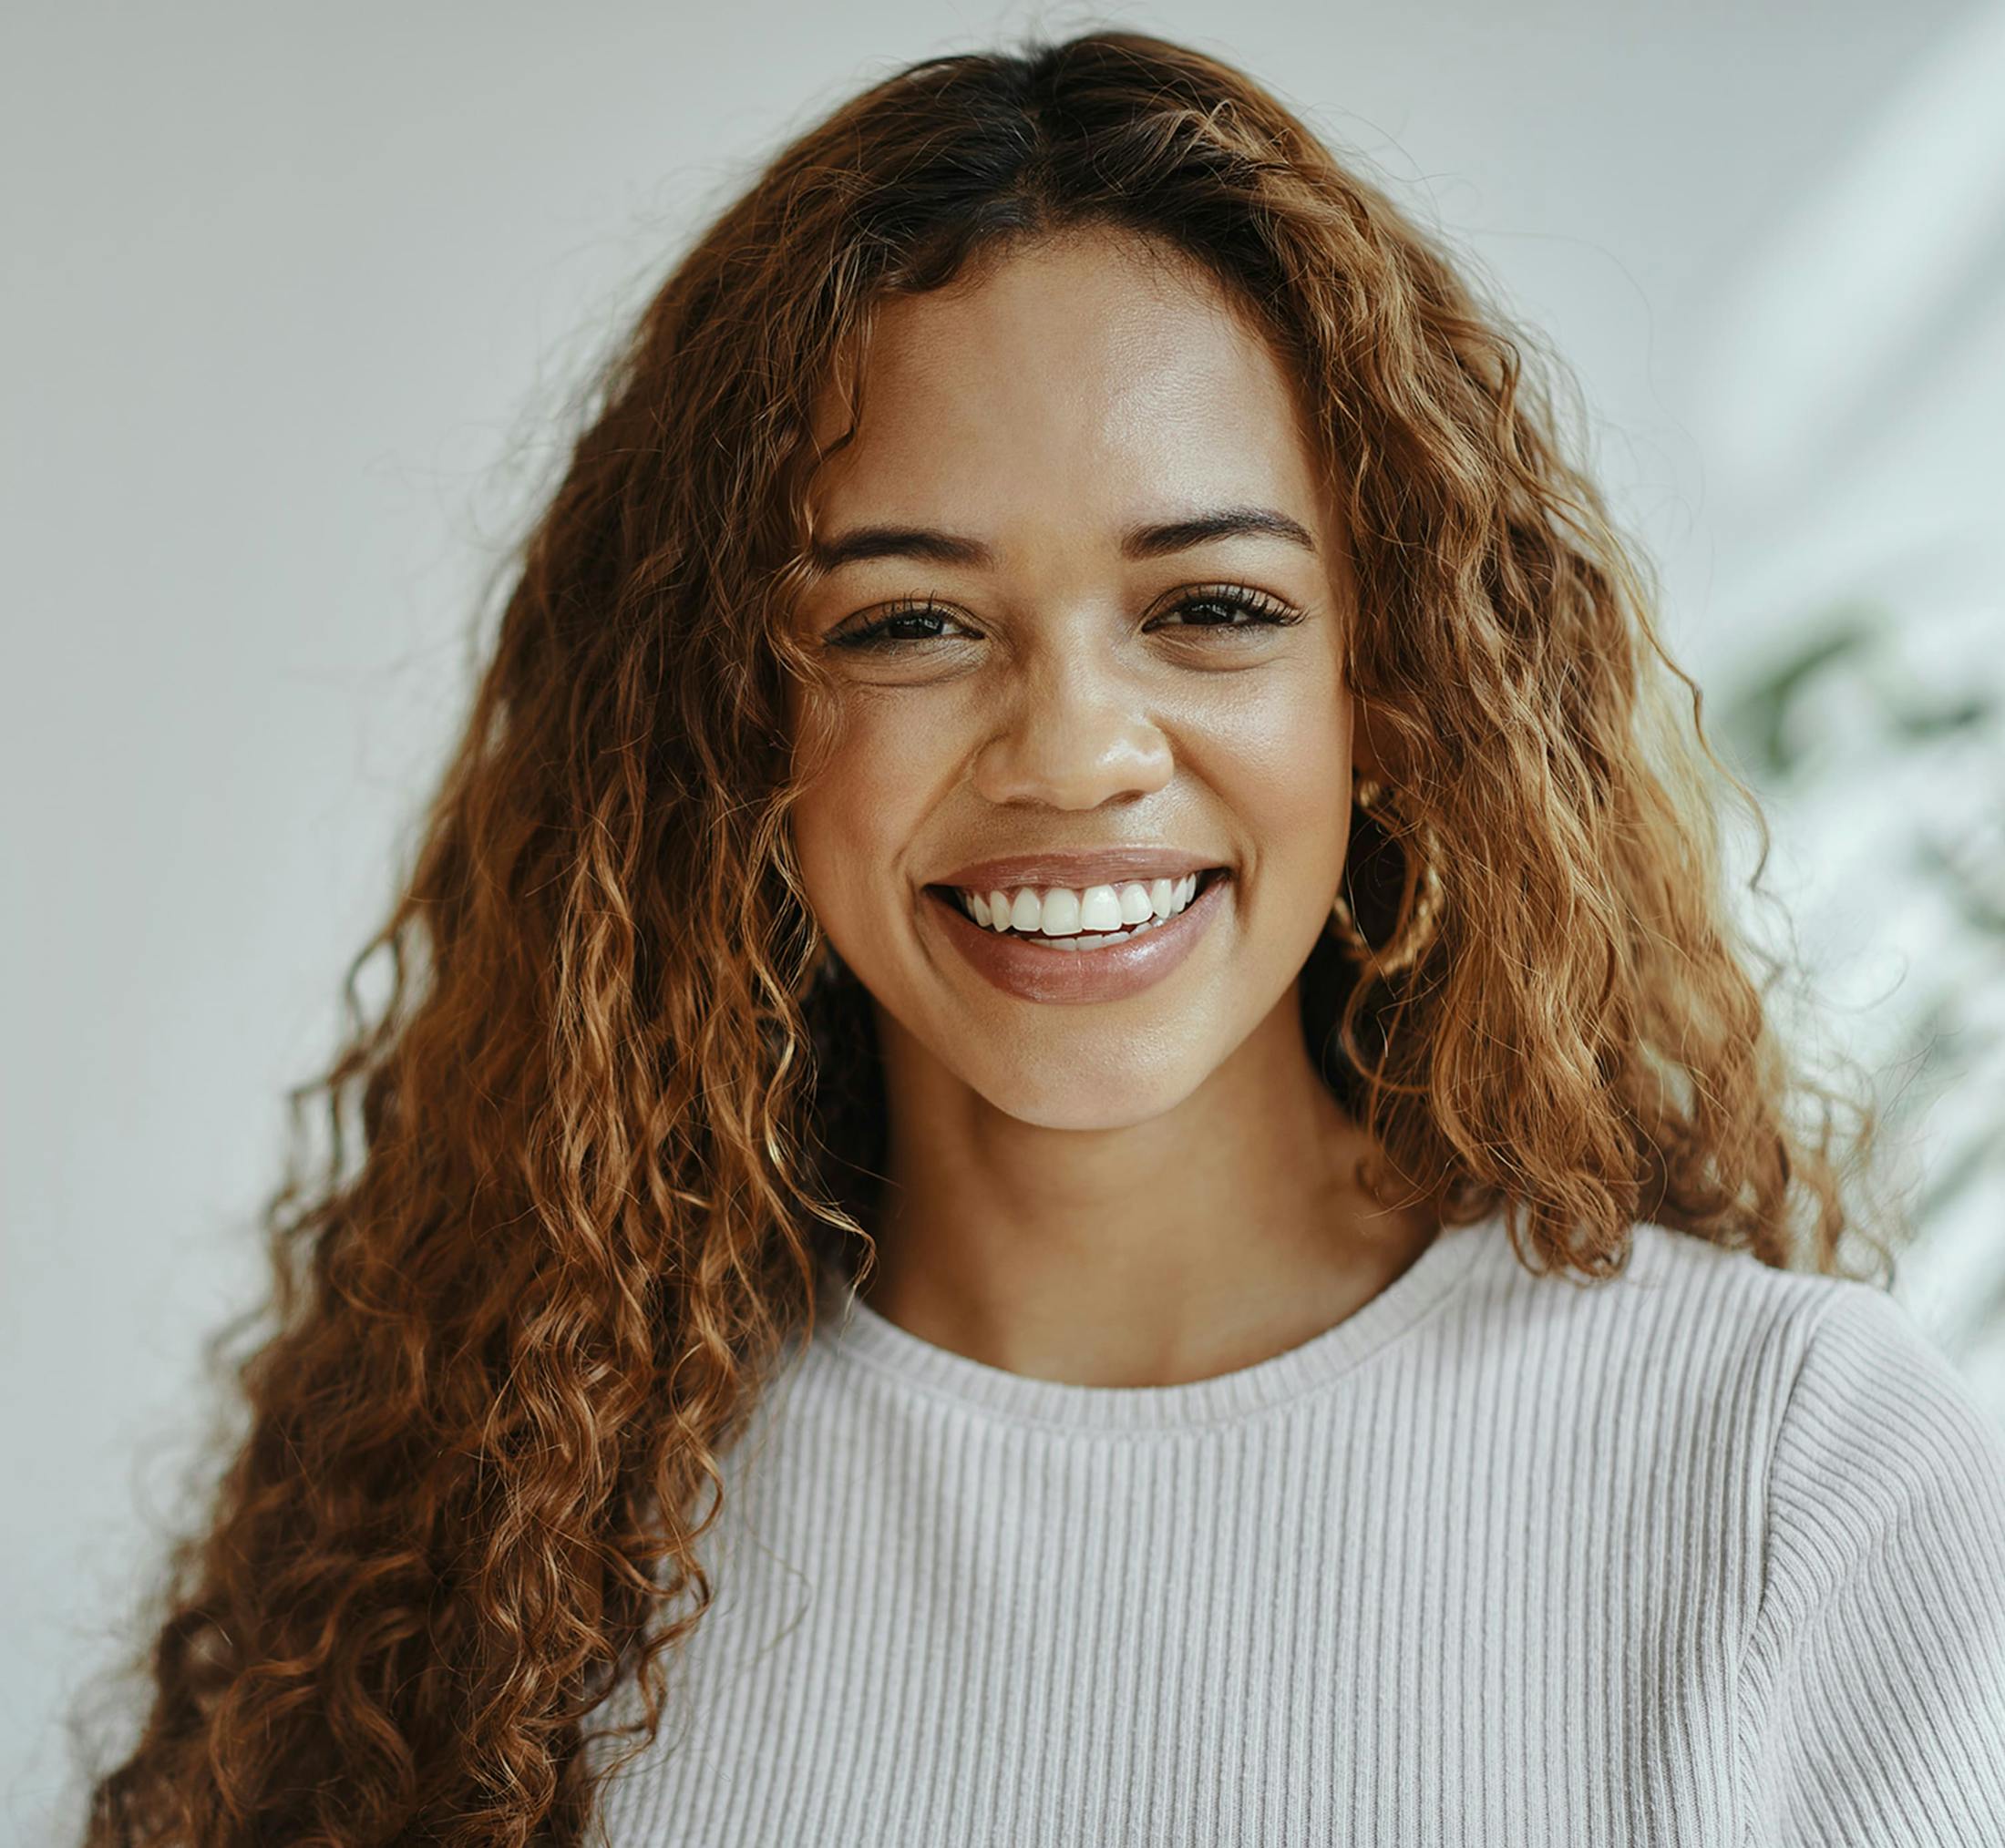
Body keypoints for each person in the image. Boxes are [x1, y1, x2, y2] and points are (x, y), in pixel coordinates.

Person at [77, 28, 2005, 1848]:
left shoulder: (1777, 1479)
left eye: (1211, 608)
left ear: (1392, 688)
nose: (1076, 753)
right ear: (732, 731)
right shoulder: (504, 1546)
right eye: (908, 624)